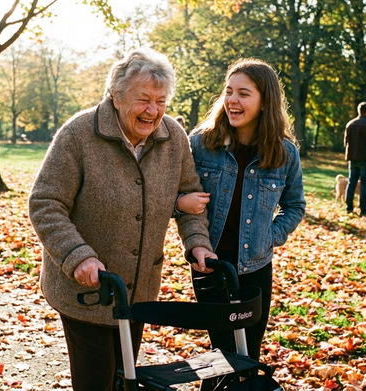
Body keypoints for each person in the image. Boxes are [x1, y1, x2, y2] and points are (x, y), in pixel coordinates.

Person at [27, 48, 215, 391]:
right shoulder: (79, 134)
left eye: (160, 101)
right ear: (116, 97)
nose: (153, 110)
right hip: (86, 292)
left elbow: (191, 199)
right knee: (97, 381)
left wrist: (198, 243)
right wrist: (78, 255)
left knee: (124, 376)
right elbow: (45, 202)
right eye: (143, 99)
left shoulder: (173, 137)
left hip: (138, 290)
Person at [176, 58, 305, 389]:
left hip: (257, 268)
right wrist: (195, 244)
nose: (232, 100)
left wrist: (269, 236)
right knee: (221, 354)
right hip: (211, 267)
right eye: (229, 91)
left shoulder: (285, 153)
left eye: (244, 93)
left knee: (249, 356)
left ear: (265, 102)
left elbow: (295, 205)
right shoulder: (202, 143)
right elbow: (183, 201)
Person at [344, 102, 366, 216]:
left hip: (353, 158)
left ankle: (349, 207)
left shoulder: (350, 124)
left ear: (358, 111)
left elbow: (346, 142)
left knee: (351, 182)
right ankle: (363, 209)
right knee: (365, 184)